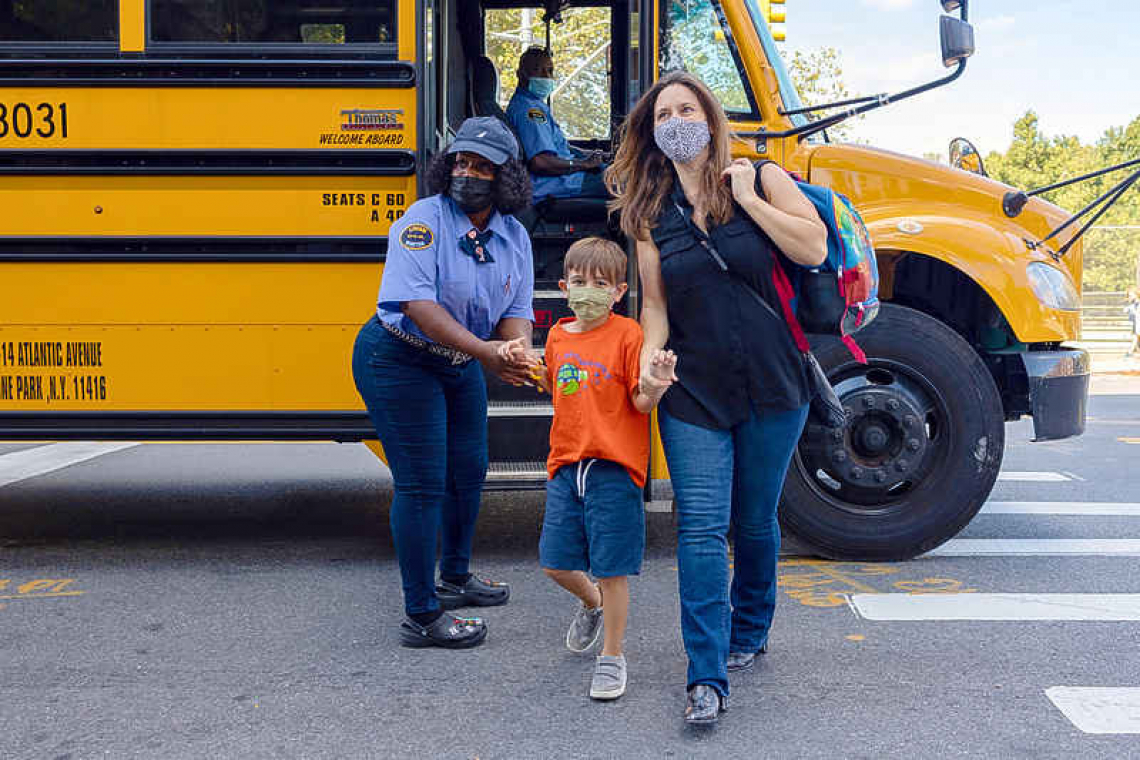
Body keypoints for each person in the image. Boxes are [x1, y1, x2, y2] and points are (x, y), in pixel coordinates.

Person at [605, 71, 828, 726]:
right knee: (700, 527)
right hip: (693, 390)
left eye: (686, 108)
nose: (676, 120)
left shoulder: (762, 178)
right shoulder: (650, 215)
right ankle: (705, 676)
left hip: (774, 383)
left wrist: (747, 200)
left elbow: (811, 246)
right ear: (652, 133)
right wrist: (649, 374)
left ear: (708, 116)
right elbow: (655, 311)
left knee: (755, 520)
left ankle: (750, 628)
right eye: (663, 114)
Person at [351, 117, 536, 649]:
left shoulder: (514, 236)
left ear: (506, 178)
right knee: (422, 484)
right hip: (400, 358)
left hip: (457, 362)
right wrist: (487, 354)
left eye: (482, 166)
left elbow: (517, 310)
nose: (467, 173)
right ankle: (422, 615)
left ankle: (455, 577)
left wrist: (515, 348)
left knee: (468, 470)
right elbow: (419, 307)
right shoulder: (422, 222)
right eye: (460, 161)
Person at [521, 237, 675, 701]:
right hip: (566, 464)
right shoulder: (558, 335)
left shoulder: (627, 335)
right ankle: (590, 603)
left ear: (619, 291)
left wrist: (657, 386)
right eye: (579, 281)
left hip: (614, 468)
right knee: (554, 564)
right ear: (563, 285)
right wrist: (532, 369)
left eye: (600, 283)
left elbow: (639, 401)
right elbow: (560, 387)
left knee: (612, 569)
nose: (588, 290)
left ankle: (612, 656)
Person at [505, 46, 609, 203]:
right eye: (538, 70)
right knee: (636, 182)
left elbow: (561, 147)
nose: (546, 77)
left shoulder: (533, 104)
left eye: (550, 71)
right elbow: (541, 162)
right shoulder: (529, 110)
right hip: (556, 183)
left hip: (567, 178)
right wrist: (583, 165)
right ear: (521, 75)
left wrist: (590, 155)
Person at [1126, 287, 1140, 357]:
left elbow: (1137, 313)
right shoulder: (1133, 304)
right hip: (1136, 323)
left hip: (1138, 323)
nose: (1129, 297)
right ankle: (1132, 351)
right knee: (1135, 337)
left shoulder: (1137, 303)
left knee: (1136, 337)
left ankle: (1130, 352)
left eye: (1131, 295)